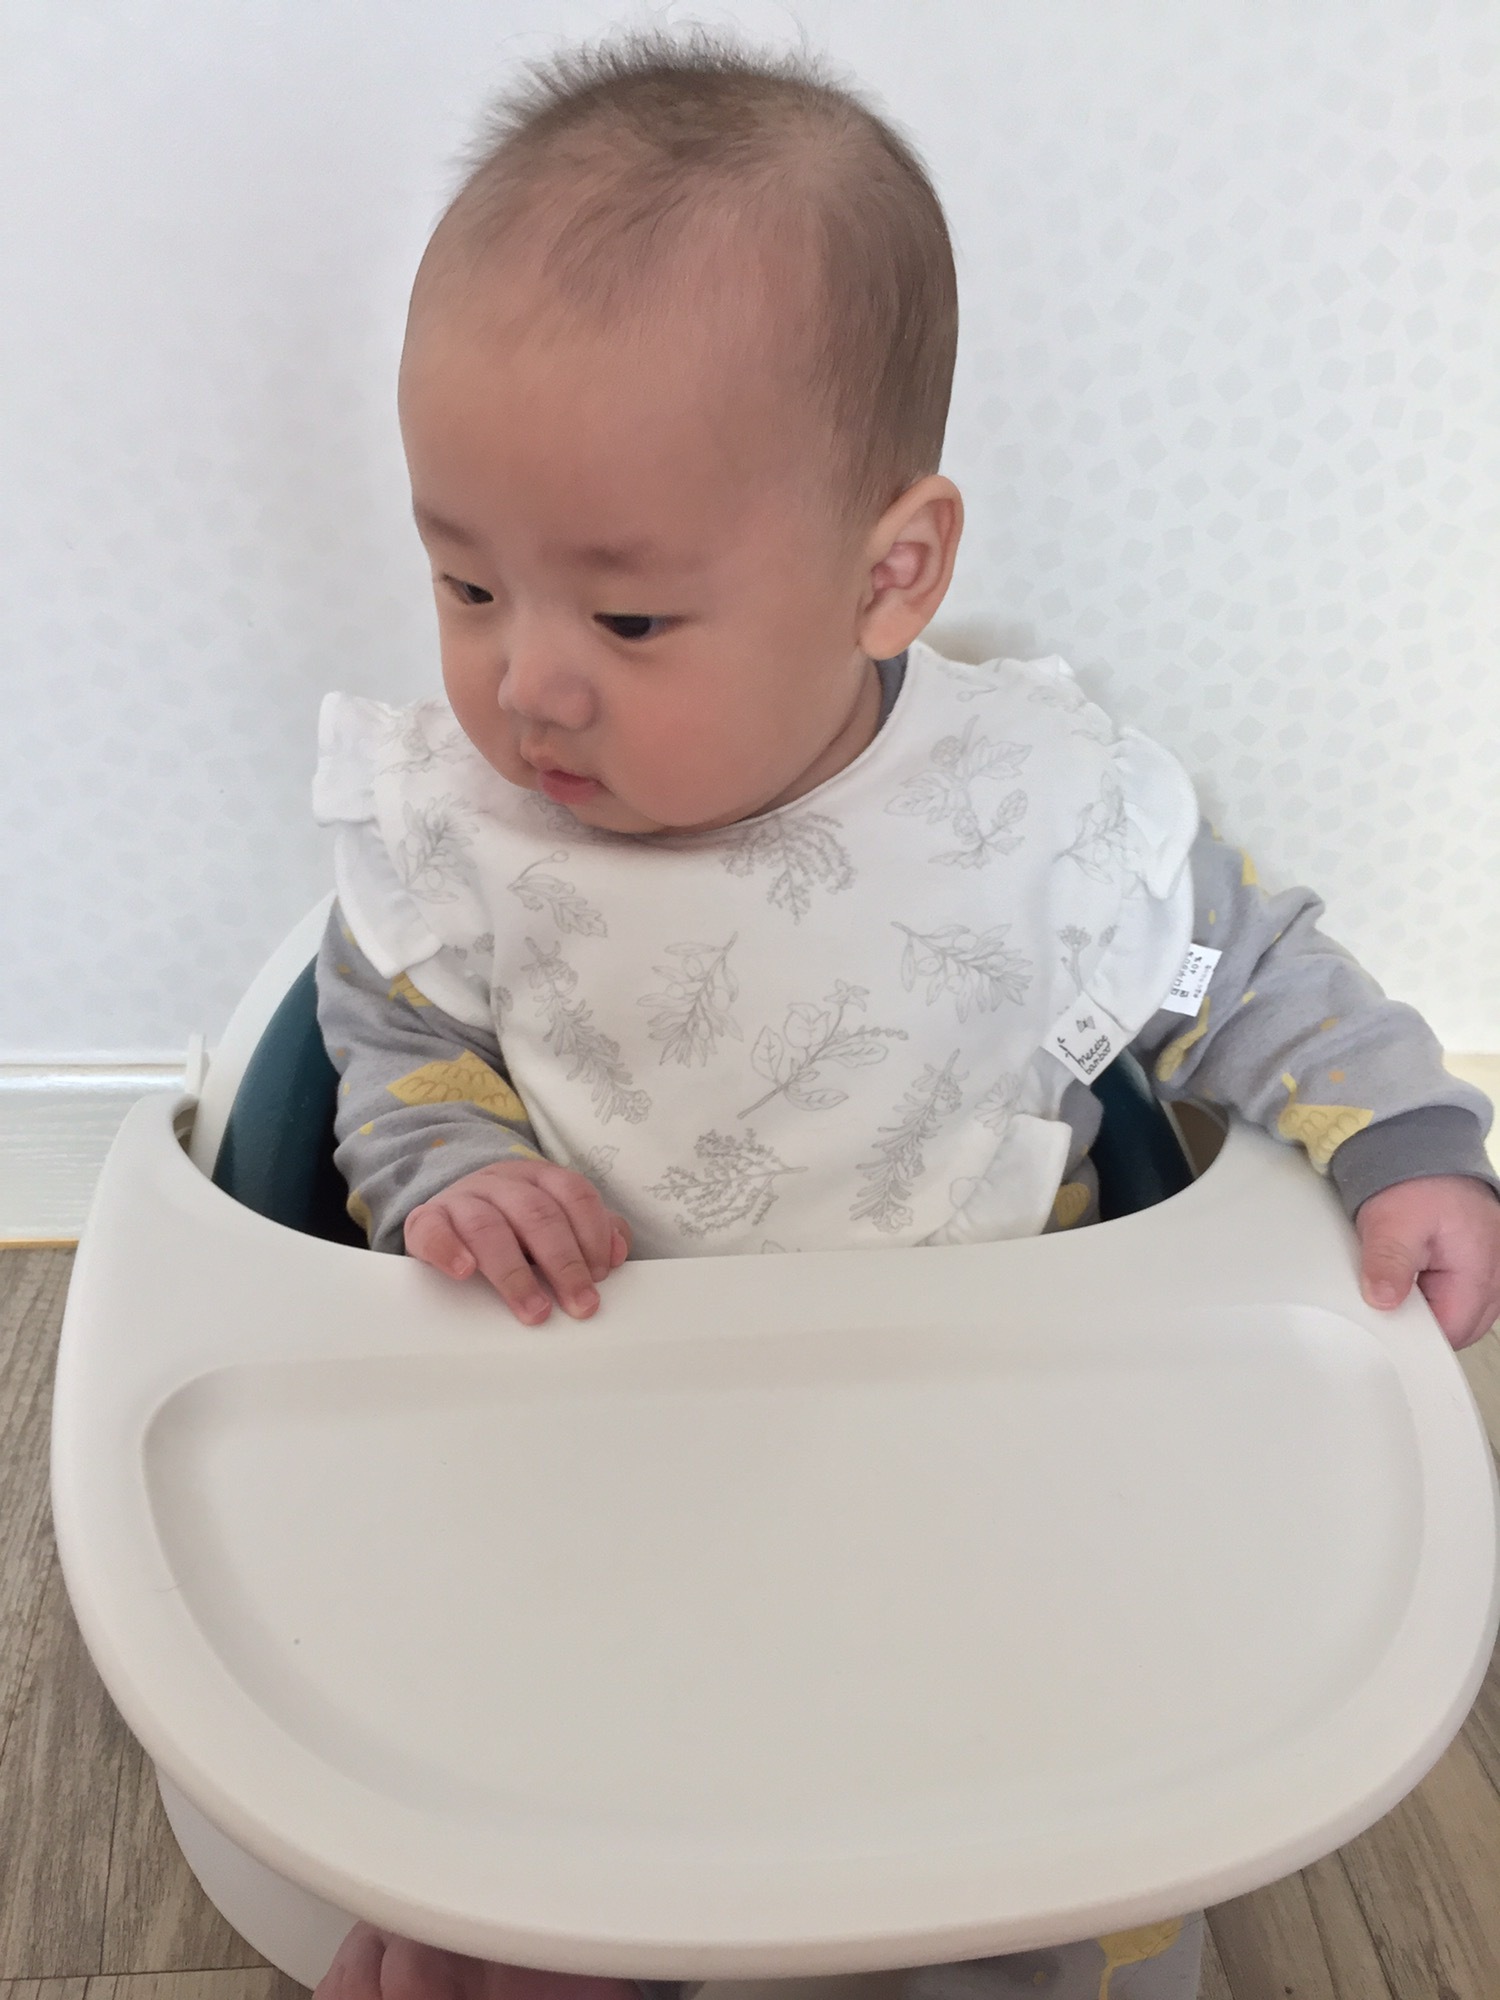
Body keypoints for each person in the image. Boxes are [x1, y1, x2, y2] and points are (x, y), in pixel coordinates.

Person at [309, 27, 1500, 2000]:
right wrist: (453, 1162)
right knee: (512, 1802)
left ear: (892, 573)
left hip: (982, 1461)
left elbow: (1246, 975)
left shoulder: (1024, 817)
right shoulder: (469, 836)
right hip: (601, 1451)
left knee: (1058, 1799)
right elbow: (381, 1028)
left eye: (627, 616)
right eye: (465, 584)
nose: (528, 686)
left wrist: (1400, 1133)